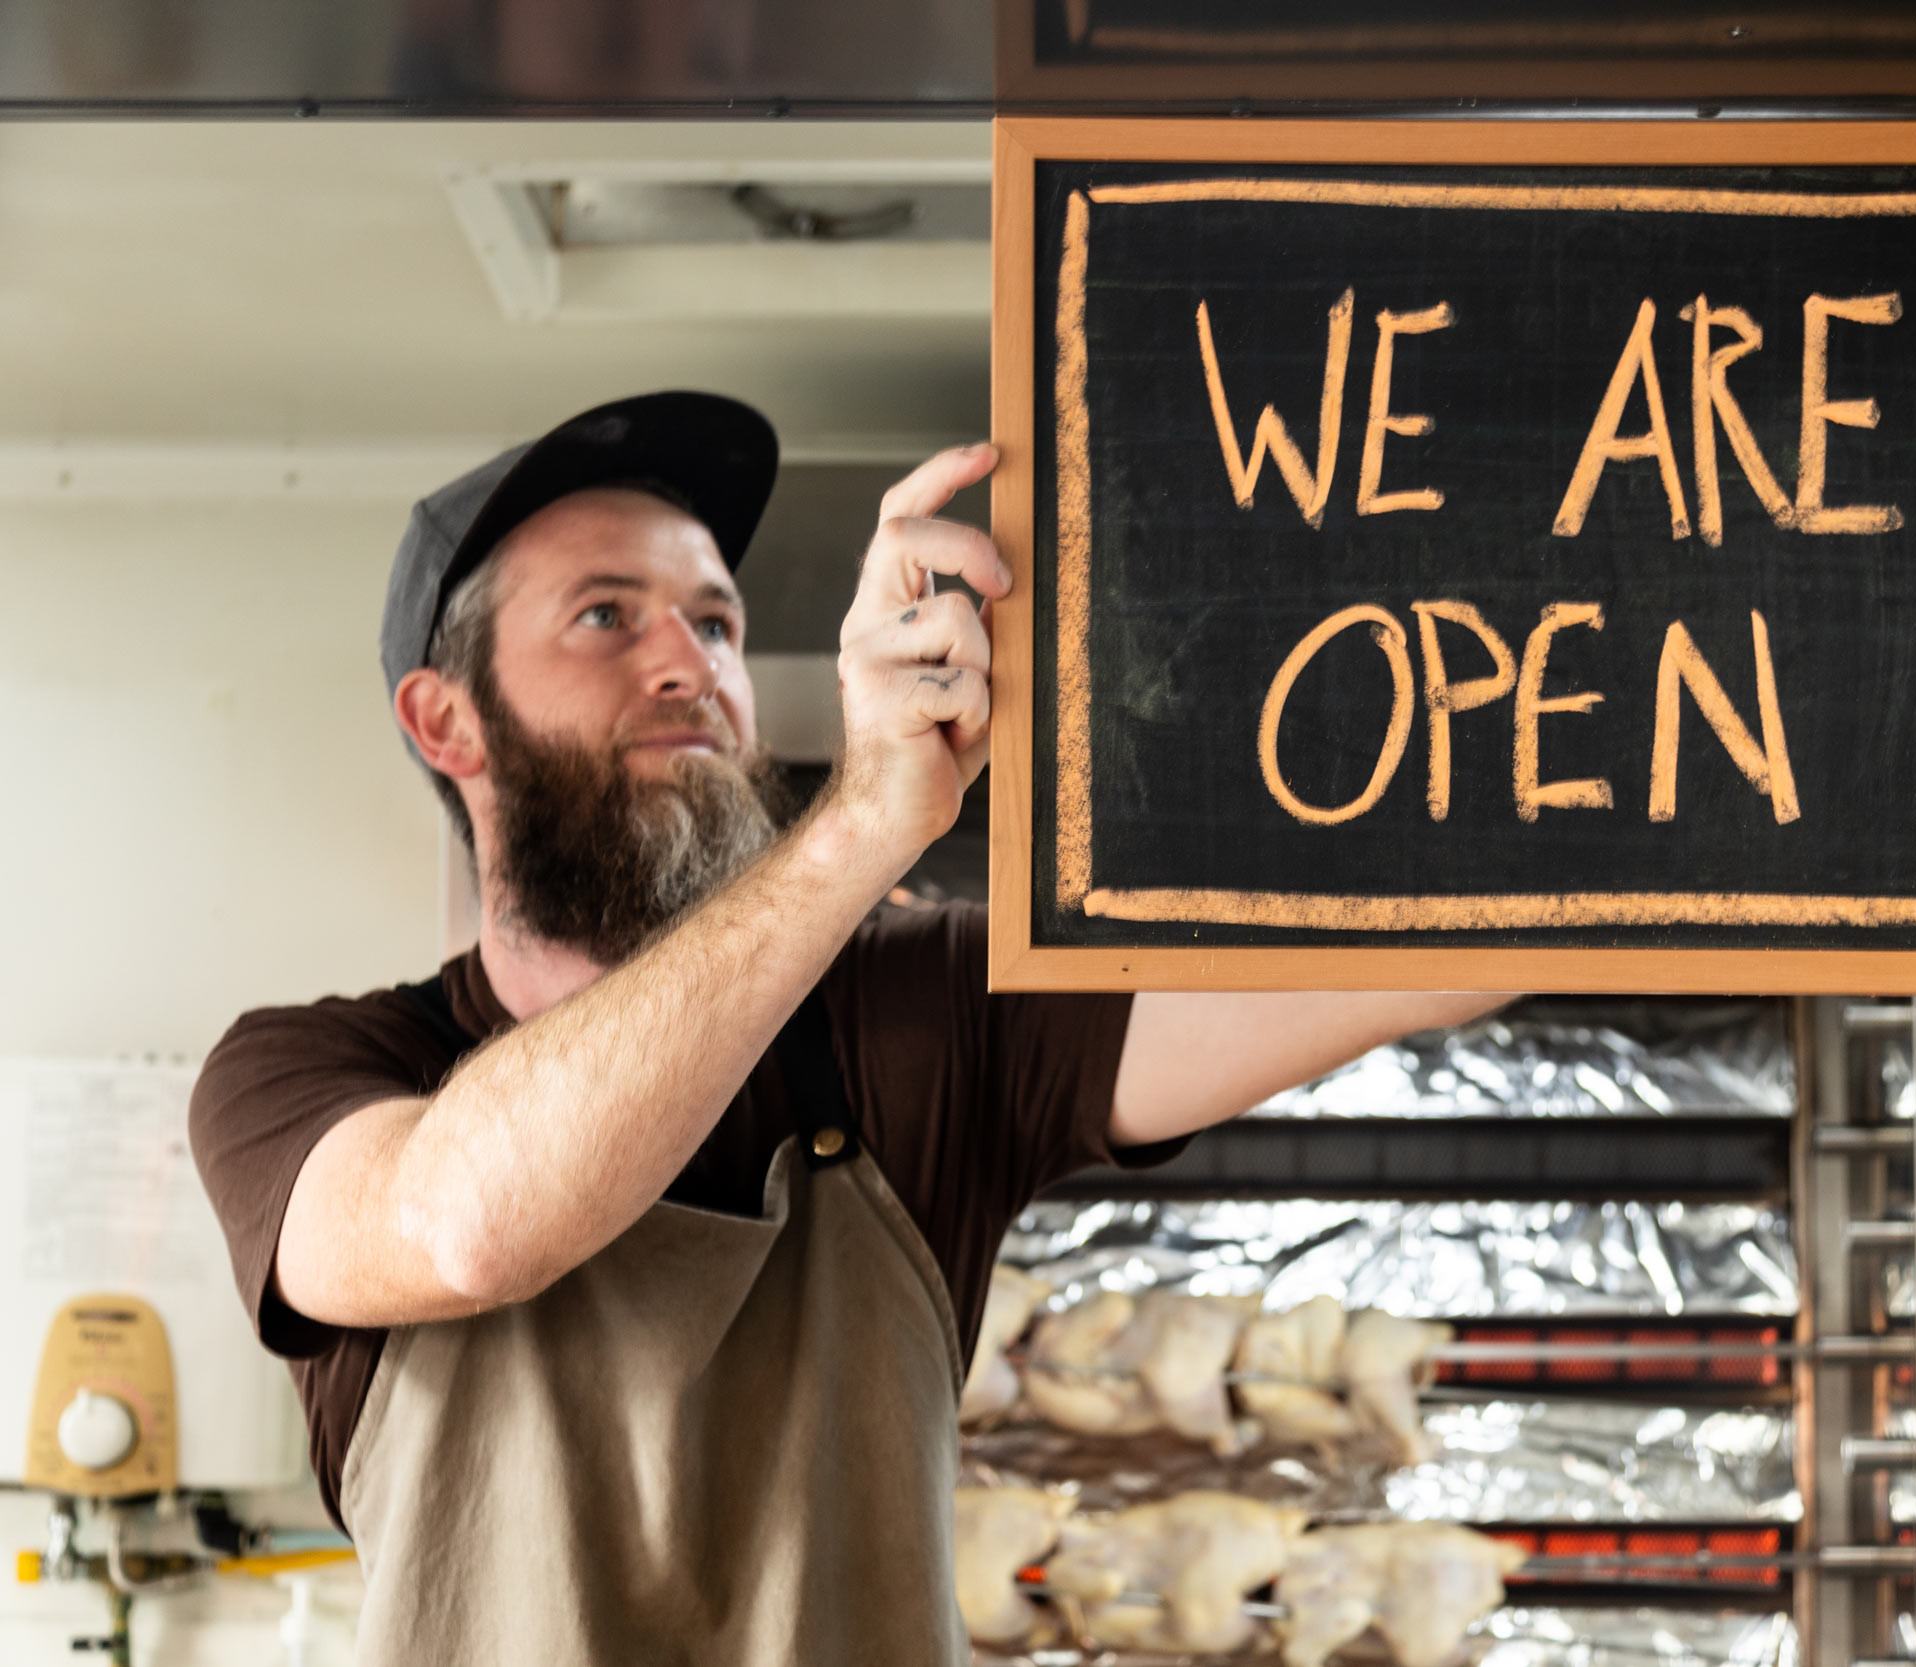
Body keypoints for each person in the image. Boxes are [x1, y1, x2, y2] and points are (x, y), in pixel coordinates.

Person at [188, 392, 1500, 1667]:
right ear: (446, 718)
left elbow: (1430, 958)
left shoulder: (912, 1017)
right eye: (606, 616)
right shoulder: (308, 1078)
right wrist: (864, 828)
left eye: (715, 620)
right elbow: (470, 1224)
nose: (689, 664)